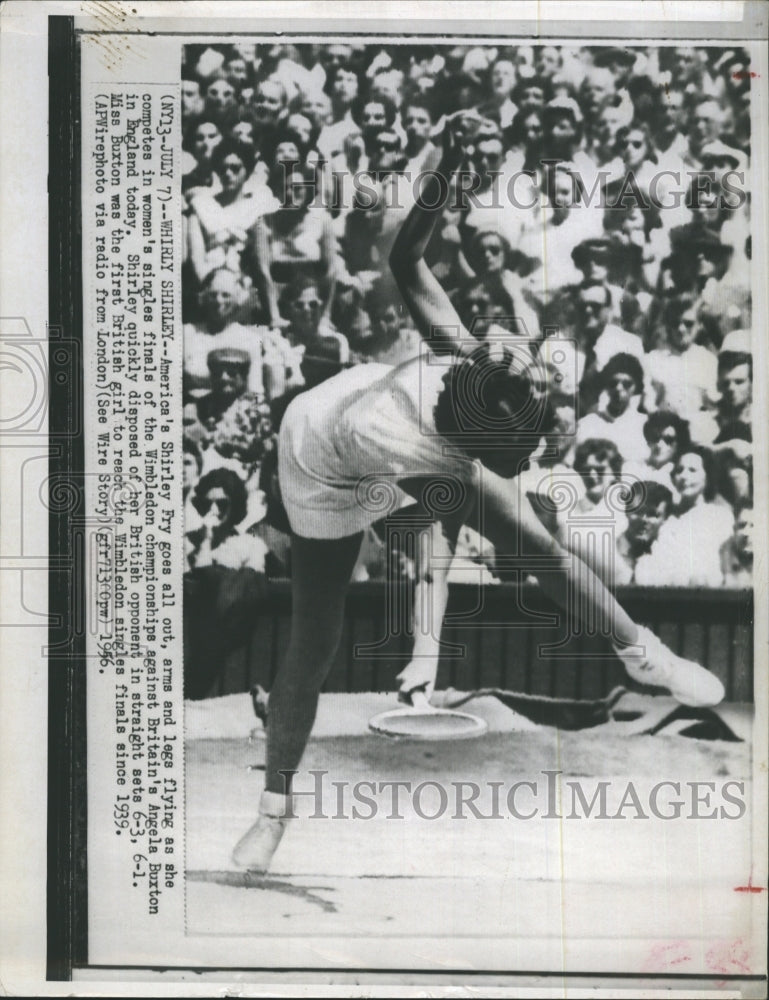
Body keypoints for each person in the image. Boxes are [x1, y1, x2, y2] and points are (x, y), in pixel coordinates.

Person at [231, 112, 725, 873]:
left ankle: (643, 654)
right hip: (316, 462)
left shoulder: (462, 359)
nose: (519, 354)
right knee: (313, 642)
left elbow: (406, 255)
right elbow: (430, 551)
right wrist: (425, 645)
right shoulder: (436, 454)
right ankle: (272, 811)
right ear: (477, 440)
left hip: (375, 435)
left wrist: (441, 174)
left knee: (539, 545)